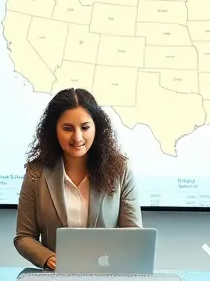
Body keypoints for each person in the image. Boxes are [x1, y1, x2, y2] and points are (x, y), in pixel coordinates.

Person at [14, 88, 142, 270]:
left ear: (97, 127)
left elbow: (134, 234)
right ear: (54, 130)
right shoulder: (36, 172)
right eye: (67, 128)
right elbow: (24, 237)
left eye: (85, 127)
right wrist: (47, 257)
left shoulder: (120, 170)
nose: (77, 137)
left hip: (108, 278)